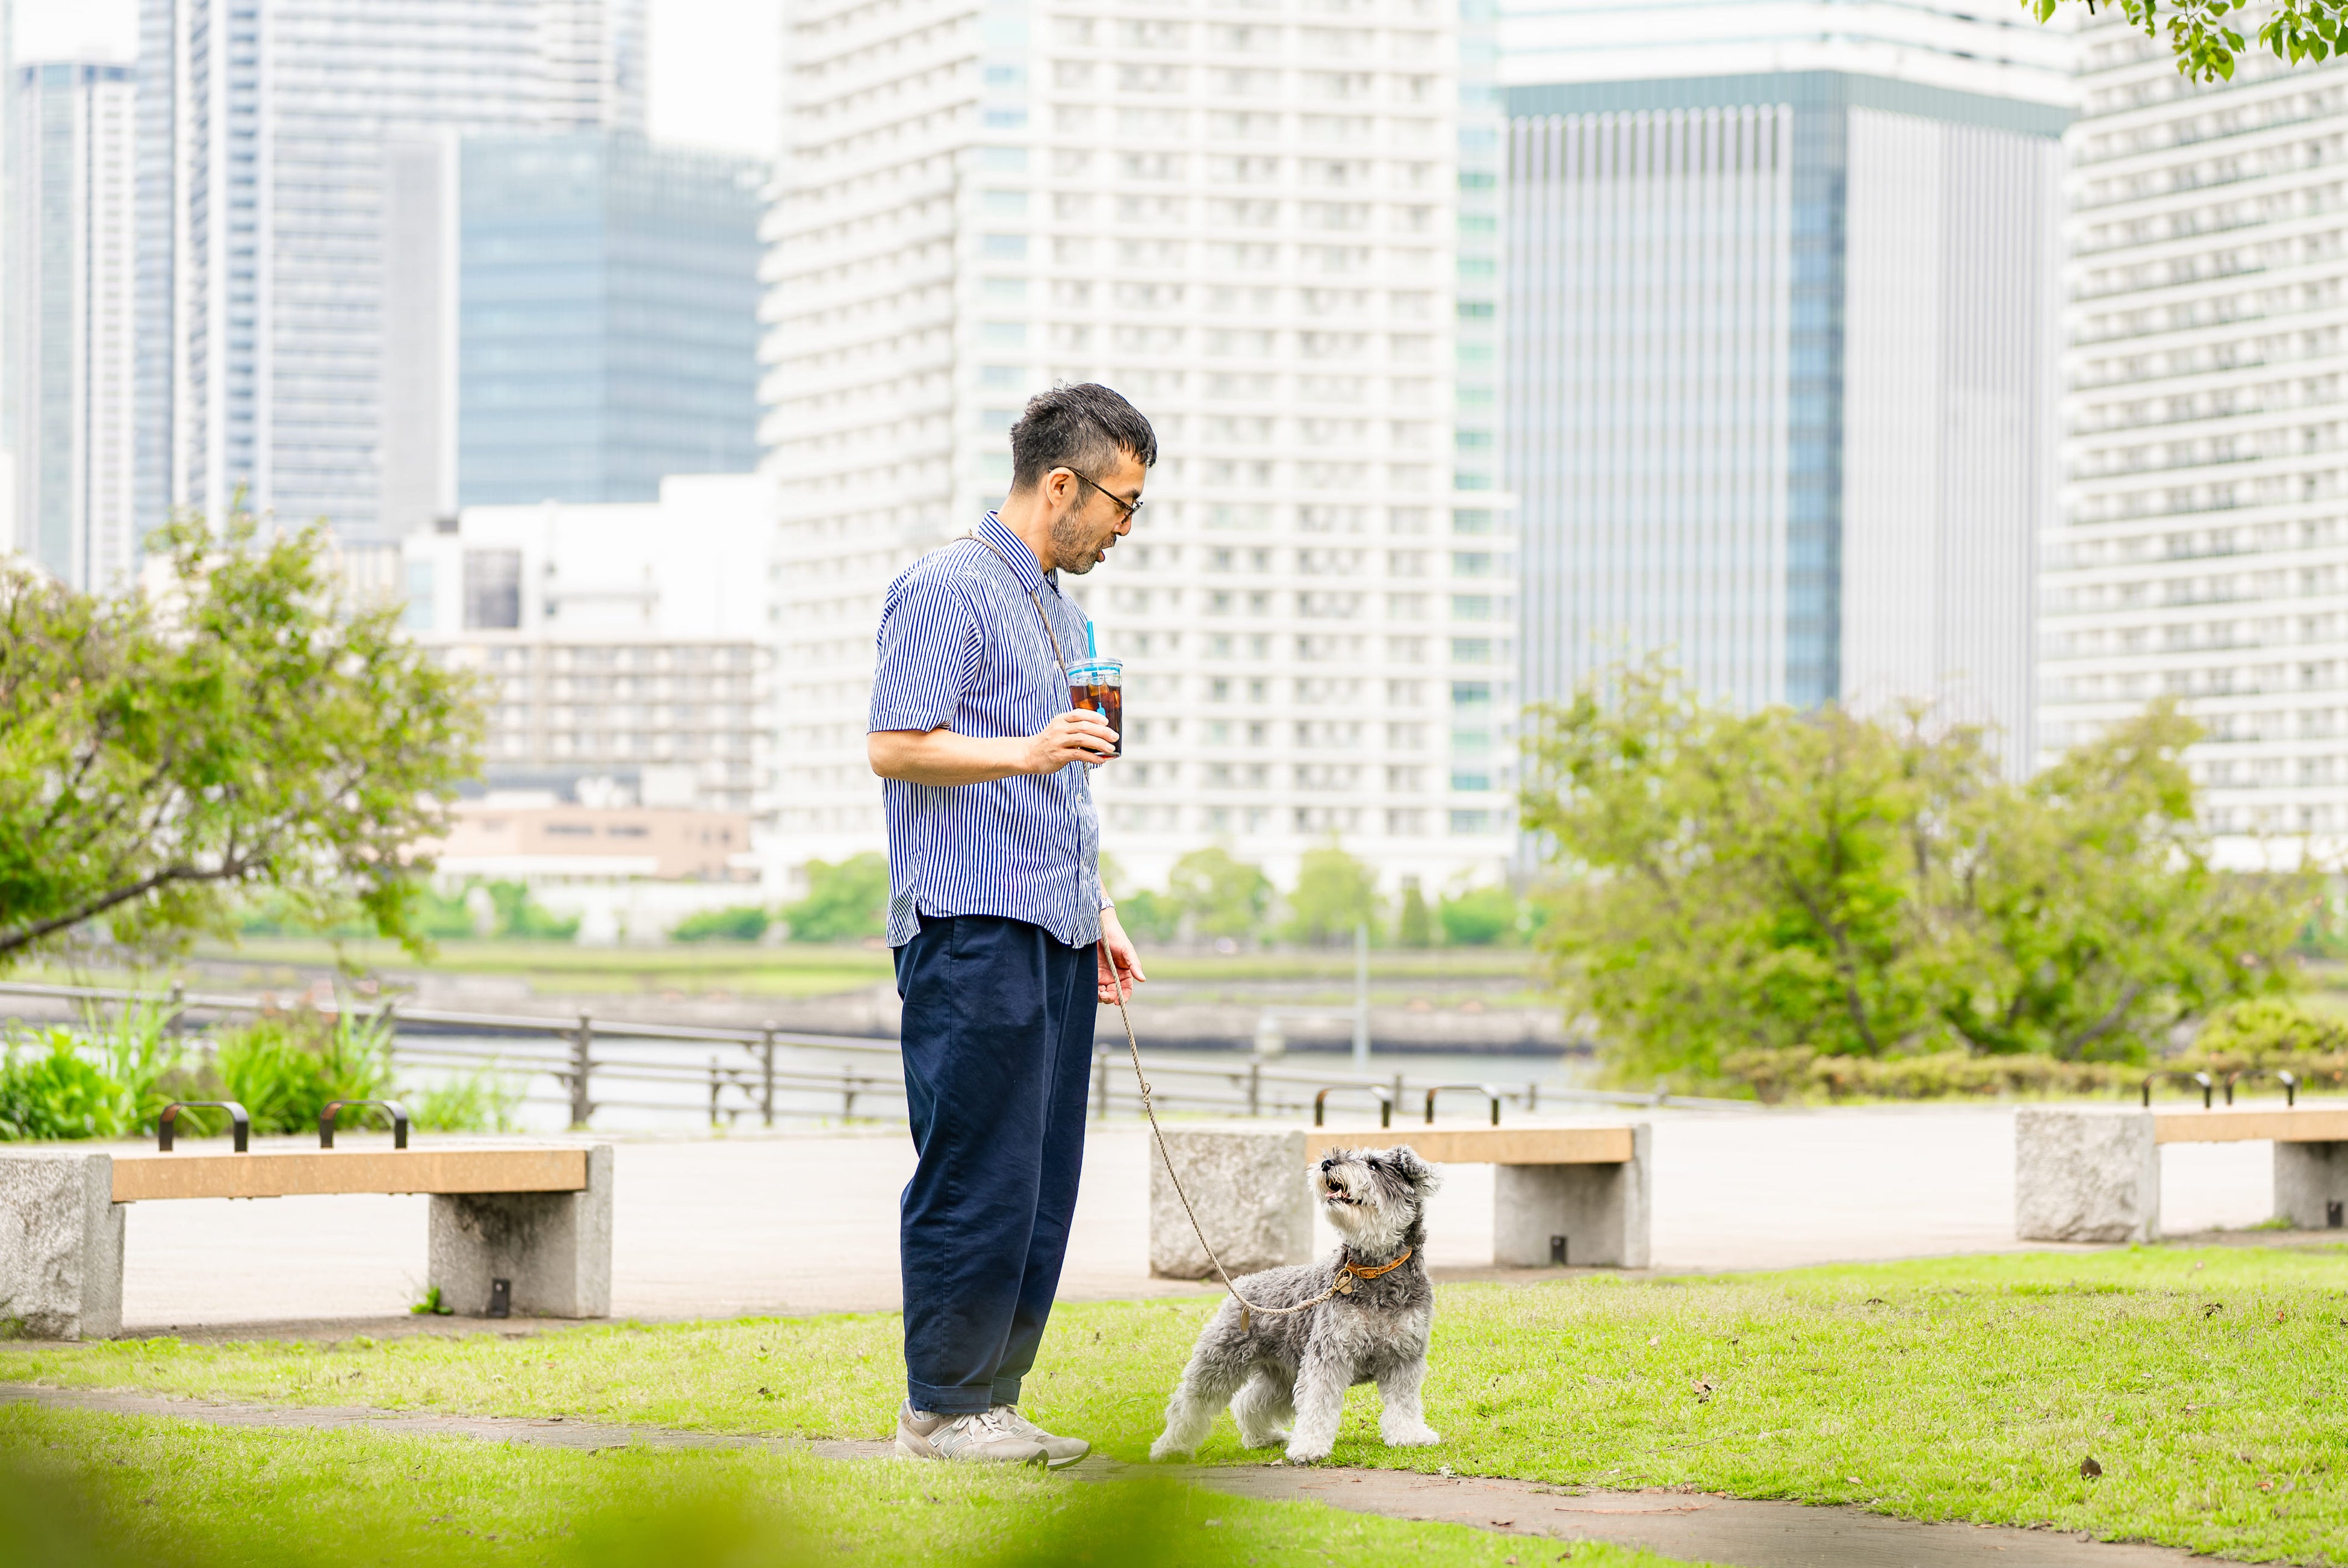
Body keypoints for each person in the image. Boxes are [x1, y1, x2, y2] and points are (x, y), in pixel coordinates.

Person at [866, 383, 1154, 1466]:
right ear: (1062, 484)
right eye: (1122, 503)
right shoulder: (946, 586)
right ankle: (938, 1408)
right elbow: (896, 744)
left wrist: (1102, 909)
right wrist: (1027, 748)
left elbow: (1064, 782)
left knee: (1040, 1176)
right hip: (969, 925)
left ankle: (993, 1398)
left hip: (1055, 922)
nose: (1127, 527)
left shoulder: (1061, 611)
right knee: (976, 1168)